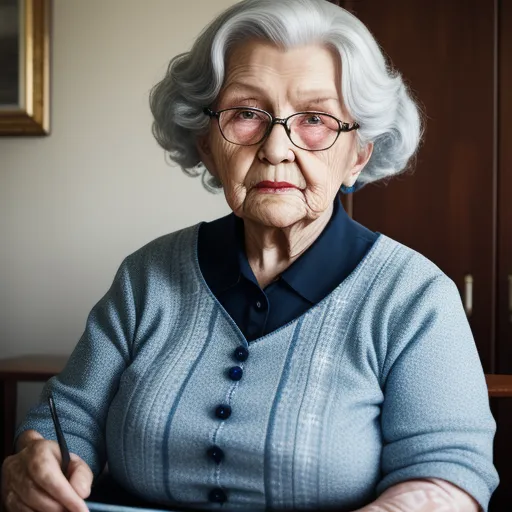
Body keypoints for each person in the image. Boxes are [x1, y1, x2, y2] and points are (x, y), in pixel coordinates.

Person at [1, 0, 499, 511]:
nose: (277, 148)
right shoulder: (146, 276)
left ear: (359, 154)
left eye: (314, 118)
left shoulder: (415, 297)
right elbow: (66, 421)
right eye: (246, 114)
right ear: (206, 144)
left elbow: (447, 474)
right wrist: (42, 465)